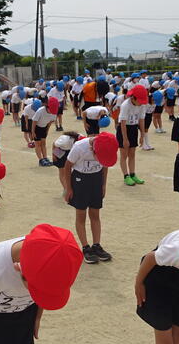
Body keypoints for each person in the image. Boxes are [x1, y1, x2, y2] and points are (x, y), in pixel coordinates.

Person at [64, 131, 117, 264]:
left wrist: (103, 184)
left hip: (96, 179)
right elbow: (67, 166)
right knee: (81, 215)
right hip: (80, 179)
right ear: (94, 148)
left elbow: (105, 166)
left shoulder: (107, 147)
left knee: (95, 214)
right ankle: (85, 247)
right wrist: (69, 188)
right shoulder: (79, 147)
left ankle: (96, 245)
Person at [118, 84, 148, 186]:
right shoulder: (125, 105)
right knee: (124, 154)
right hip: (124, 129)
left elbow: (141, 120)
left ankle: (132, 174)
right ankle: (126, 176)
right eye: (139, 100)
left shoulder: (142, 105)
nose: (141, 103)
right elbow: (122, 123)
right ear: (133, 98)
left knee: (132, 154)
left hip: (133, 128)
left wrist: (142, 135)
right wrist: (125, 139)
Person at [31, 97, 58, 167]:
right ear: (47, 106)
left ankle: (45, 158)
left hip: (44, 127)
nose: (51, 112)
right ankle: (41, 160)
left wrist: (47, 130)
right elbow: (34, 121)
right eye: (50, 110)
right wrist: (33, 132)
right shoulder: (40, 111)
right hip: (37, 127)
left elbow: (50, 122)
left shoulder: (54, 112)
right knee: (38, 144)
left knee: (43, 143)